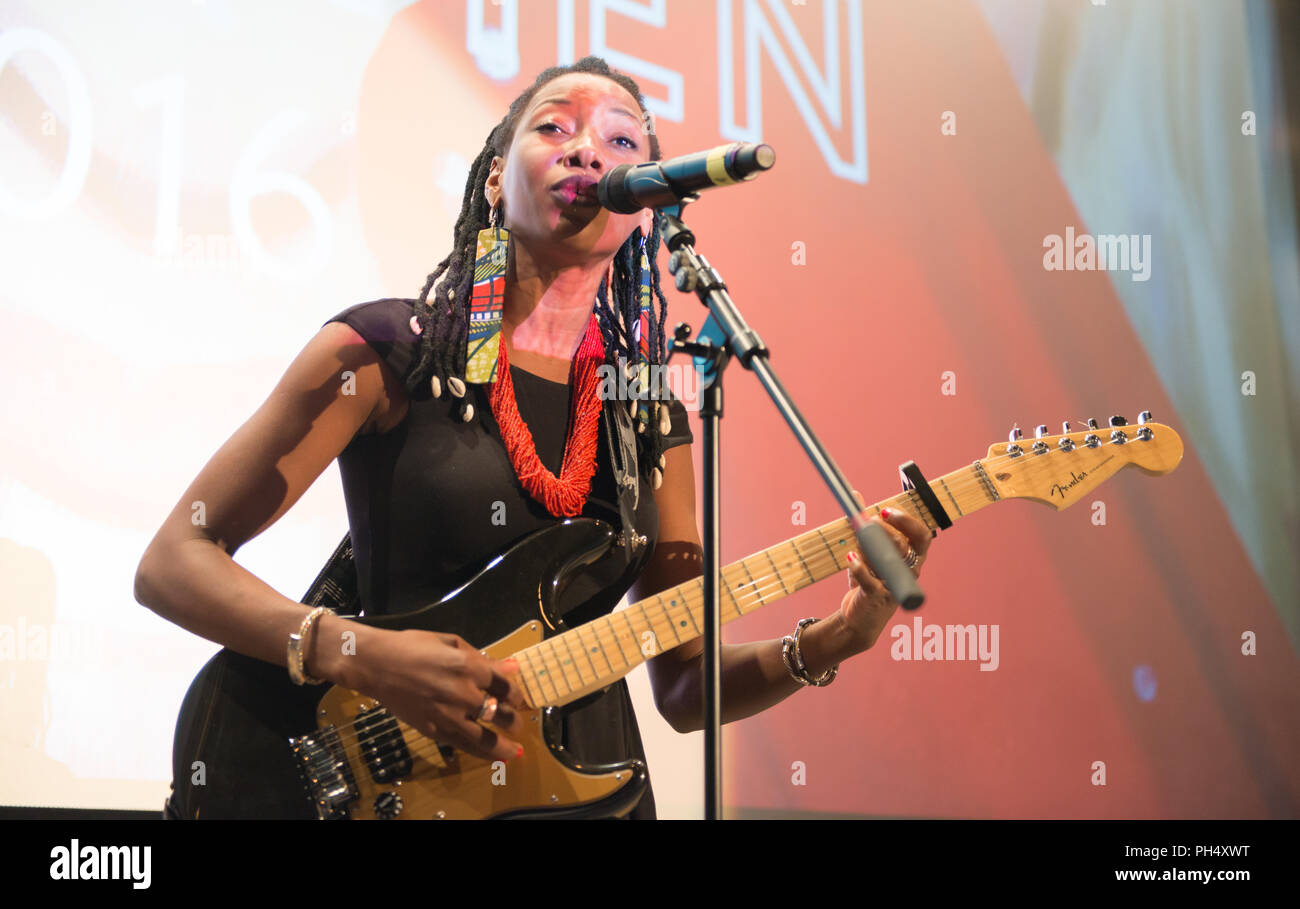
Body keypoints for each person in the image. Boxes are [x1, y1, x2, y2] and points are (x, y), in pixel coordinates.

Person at [133, 55, 935, 819]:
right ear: (493, 176)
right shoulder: (384, 353)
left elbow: (685, 687)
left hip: (592, 800)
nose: (589, 149)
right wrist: (361, 654)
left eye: (623, 142)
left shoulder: (645, 410)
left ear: (645, 205)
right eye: (555, 128)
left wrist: (835, 637)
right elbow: (174, 561)